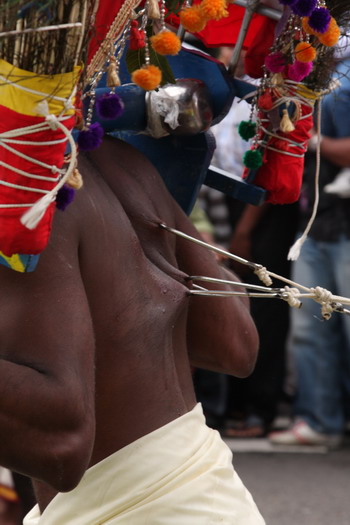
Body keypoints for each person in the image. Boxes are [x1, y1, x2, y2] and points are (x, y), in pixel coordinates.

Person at [0, 135, 265, 524]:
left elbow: (60, 444)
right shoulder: (117, 157)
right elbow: (233, 341)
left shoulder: (26, 187)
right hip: (214, 500)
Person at [269, 48, 350, 448]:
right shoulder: (316, 61)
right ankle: (319, 420)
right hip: (315, 223)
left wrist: (312, 139)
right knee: (310, 328)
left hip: (345, 223)